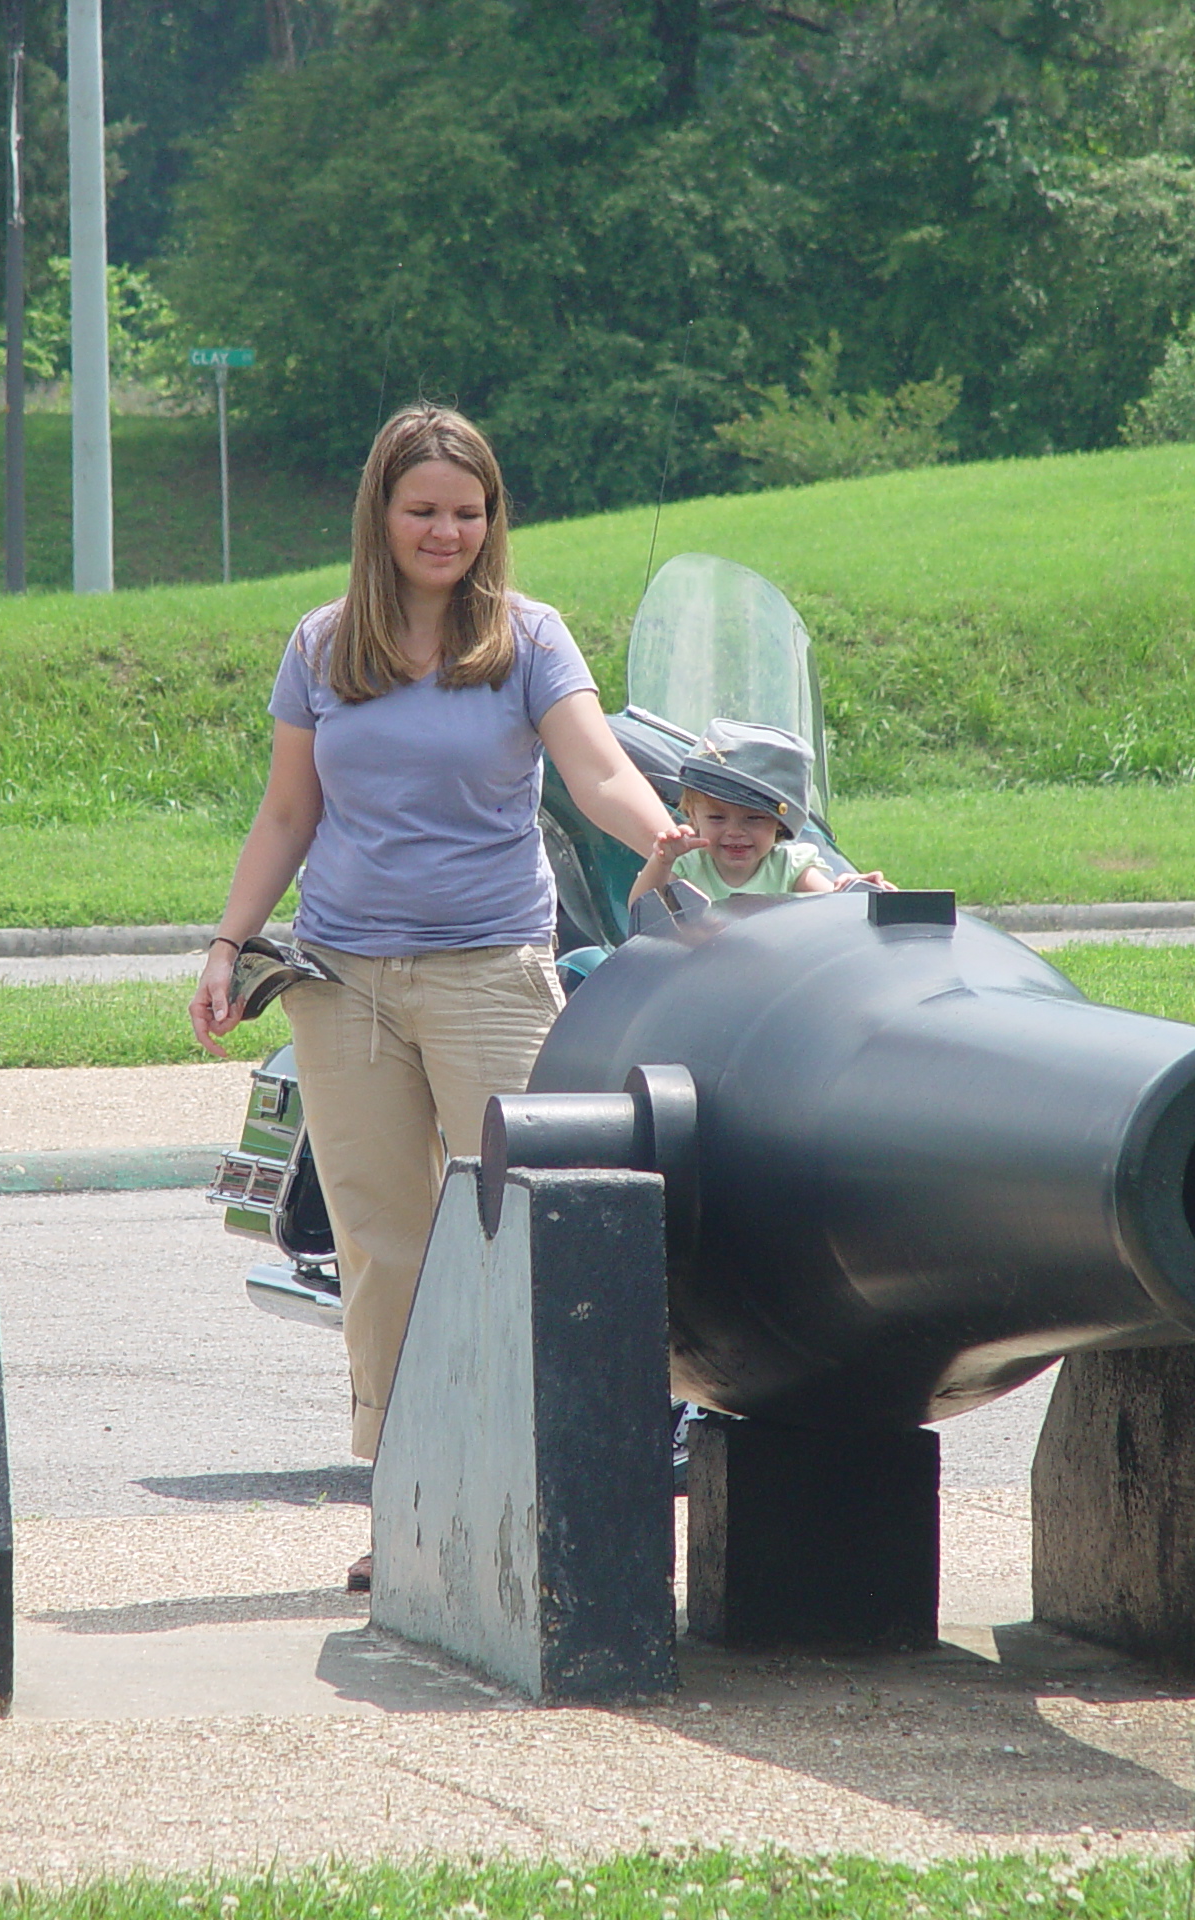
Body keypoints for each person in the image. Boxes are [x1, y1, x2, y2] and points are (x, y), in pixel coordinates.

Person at [188, 404, 696, 1591]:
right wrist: (227, 941)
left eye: (467, 513)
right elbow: (286, 815)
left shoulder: (528, 639)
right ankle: (405, 1502)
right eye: (423, 509)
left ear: (492, 519)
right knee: (383, 1243)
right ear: (380, 511)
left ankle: (534, 1486)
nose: (446, 532)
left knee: (520, 1231)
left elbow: (595, 767)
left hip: (490, 974)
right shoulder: (322, 647)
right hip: (342, 980)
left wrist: (657, 827)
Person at [626, 719, 866, 908]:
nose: (735, 832)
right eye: (717, 818)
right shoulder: (688, 866)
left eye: (754, 818)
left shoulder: (789, 867)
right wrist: (661, 861)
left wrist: (853, 893)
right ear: (693, 815)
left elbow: (836, 910)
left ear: (780, 823)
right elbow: (640, 908)